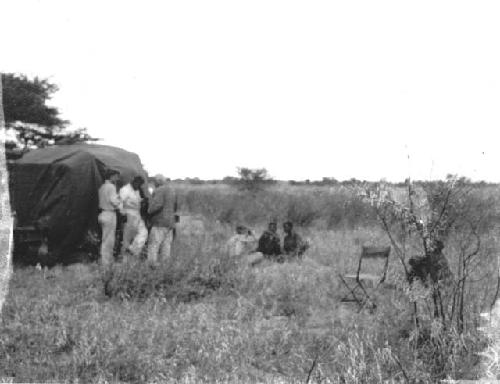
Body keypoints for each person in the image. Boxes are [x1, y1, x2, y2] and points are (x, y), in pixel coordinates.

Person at [146, 175, 177, 265]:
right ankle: (165, 266)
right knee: (166, 245)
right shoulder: (172, 190)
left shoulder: (160, 190)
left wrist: (148, 211)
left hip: (160, 222)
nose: (154, 184)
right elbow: (175, 206)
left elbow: (157, 205)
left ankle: (151, 265)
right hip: (171, 222)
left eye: (154, 182)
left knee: (154, 244)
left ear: (157, 182)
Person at [119, 175, 148, 261]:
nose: (139, 186)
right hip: (128, 214)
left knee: (144, 233)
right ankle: (125, 262)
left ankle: (132, 250)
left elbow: (137, 201)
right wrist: (122, 214)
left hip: (137, 214)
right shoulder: (125, 190)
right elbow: (120, 202)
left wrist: (143, 202)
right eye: (138, 184)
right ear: (134, 182)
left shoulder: (137, 190)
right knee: (127, 238)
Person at [97, 169, 121, 266]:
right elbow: (113, 201)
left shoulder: (102, 187)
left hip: (102, 213)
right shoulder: (111, 187)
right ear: (111, 176)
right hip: (109, 213)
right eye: (116, 176)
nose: (117, 178)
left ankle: (104, 260)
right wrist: (120, 202)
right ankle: (106, 263)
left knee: (105, 238)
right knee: (109, 240)